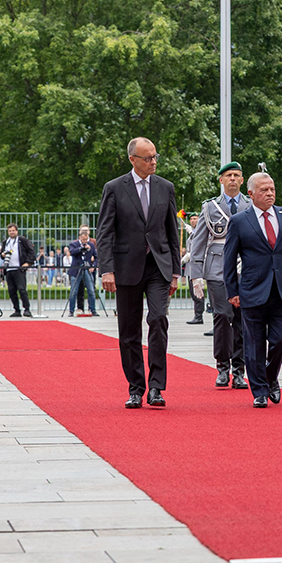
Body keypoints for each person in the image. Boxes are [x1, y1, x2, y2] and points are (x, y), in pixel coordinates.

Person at [97, 136, 181, 409]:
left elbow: (172, 231)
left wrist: (176, 272)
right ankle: (136, 387)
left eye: (155, 156)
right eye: (148, 158)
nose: (153, 162)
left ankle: (156, 387)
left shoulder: (165, 187)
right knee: (129, 331)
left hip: (158, 266)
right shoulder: (114, 188)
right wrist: (106, 269)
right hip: (126, 267)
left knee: (157, 319)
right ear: (132, 159)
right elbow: (105, 231)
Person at [224, 172, 282, 408]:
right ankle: (259, 391)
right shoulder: (239, 221)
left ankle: (270, 378)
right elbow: (229, 260)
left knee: (280, 340)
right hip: (251, 290)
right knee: (254, 344)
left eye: (272, 189)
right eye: (264, 190)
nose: (269, 193)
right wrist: (232, 291)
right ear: (251, 194)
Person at [187, 162, 251, 390]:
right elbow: (198, 242)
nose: (232, 179)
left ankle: (239, 371)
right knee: (223, 318)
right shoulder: (210, 207)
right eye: (228, 175)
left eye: (236, 175)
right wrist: (196, 275)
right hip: (217, 270)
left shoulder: (250, 205)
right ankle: (222, 367)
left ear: (242, 180)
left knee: (242, 320)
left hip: (245, 270)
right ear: (221, 180)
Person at [0, 223, 37, 317]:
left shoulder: (22, 240)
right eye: (10, 231)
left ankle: (27, 309)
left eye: (13, 230)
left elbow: (31, 251)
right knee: (11, 290)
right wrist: (2, 255)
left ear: (17, 231)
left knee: (22, 289)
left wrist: (28, 263)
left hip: (19, 268)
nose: (12, 232)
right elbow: (2, 254)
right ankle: (17, 310)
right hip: (9, 269)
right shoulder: (6, 242)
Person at [67, 225, 98, 316]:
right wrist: (81, 248)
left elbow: (96, 257)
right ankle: (71, 310)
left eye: (86, 240)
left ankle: (93, 309)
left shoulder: (91, 245)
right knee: (74, 291)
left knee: (91, 290)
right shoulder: (74, 244)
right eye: (83, 240)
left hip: (87, 269)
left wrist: (93, 266)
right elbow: (72, 252)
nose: (85, 242)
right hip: (76, 269)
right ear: (80, 238)